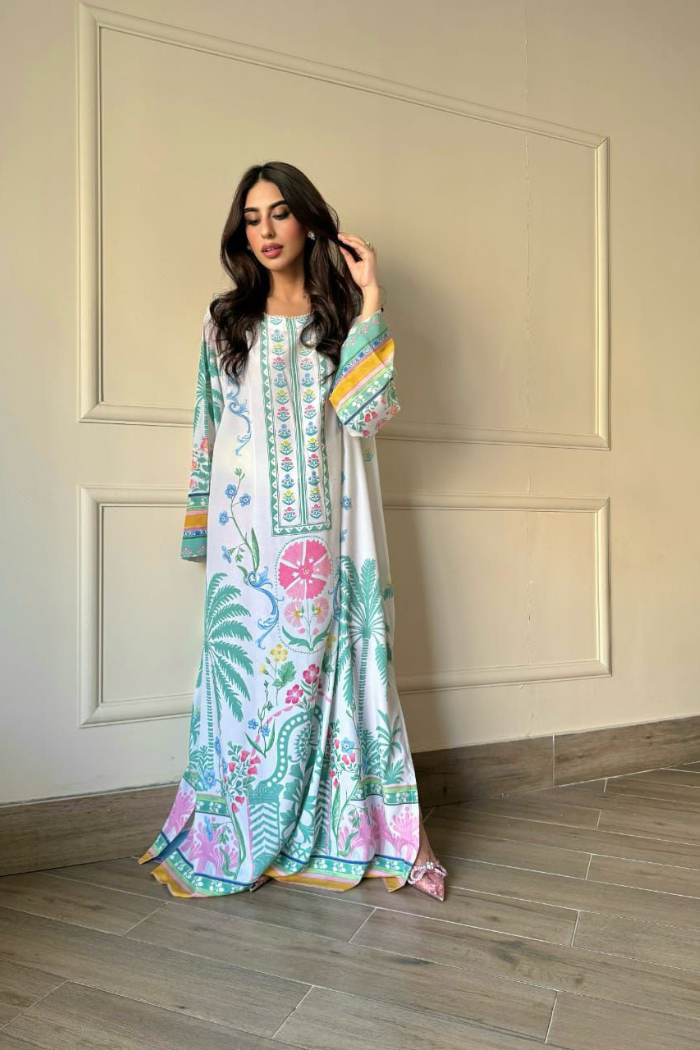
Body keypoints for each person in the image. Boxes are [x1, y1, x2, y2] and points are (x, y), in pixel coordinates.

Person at [137, 161, 448, 902]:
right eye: (252, 217)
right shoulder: (225, 323)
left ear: (308, 221)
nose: (266, 230)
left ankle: (374, 831)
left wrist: (371, 297)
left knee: (346, 674)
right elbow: (206, 432)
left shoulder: (338, 323)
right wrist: (199, 534)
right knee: (248, 685)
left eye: (279, 214)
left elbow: (366, 415)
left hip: (331, 541)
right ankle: (241, 826)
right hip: (248, 545)